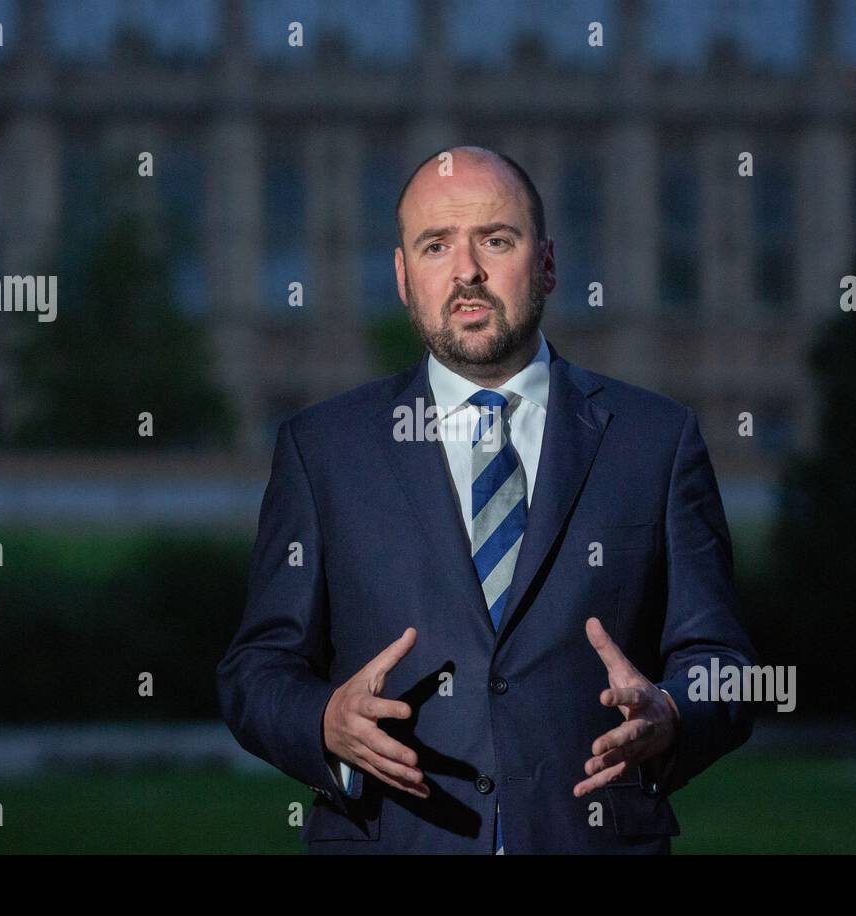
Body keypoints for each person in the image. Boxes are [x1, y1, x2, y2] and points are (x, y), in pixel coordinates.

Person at [216, 145, 758, 854]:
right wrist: (322, 721)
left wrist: (674, 713)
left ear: (549, 263)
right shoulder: (322, 451)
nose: (467, 270)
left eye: (495, 240)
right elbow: (255, 670)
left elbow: (727, 666)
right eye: (436, 245)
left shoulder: (656, 440)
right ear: (405, 278)